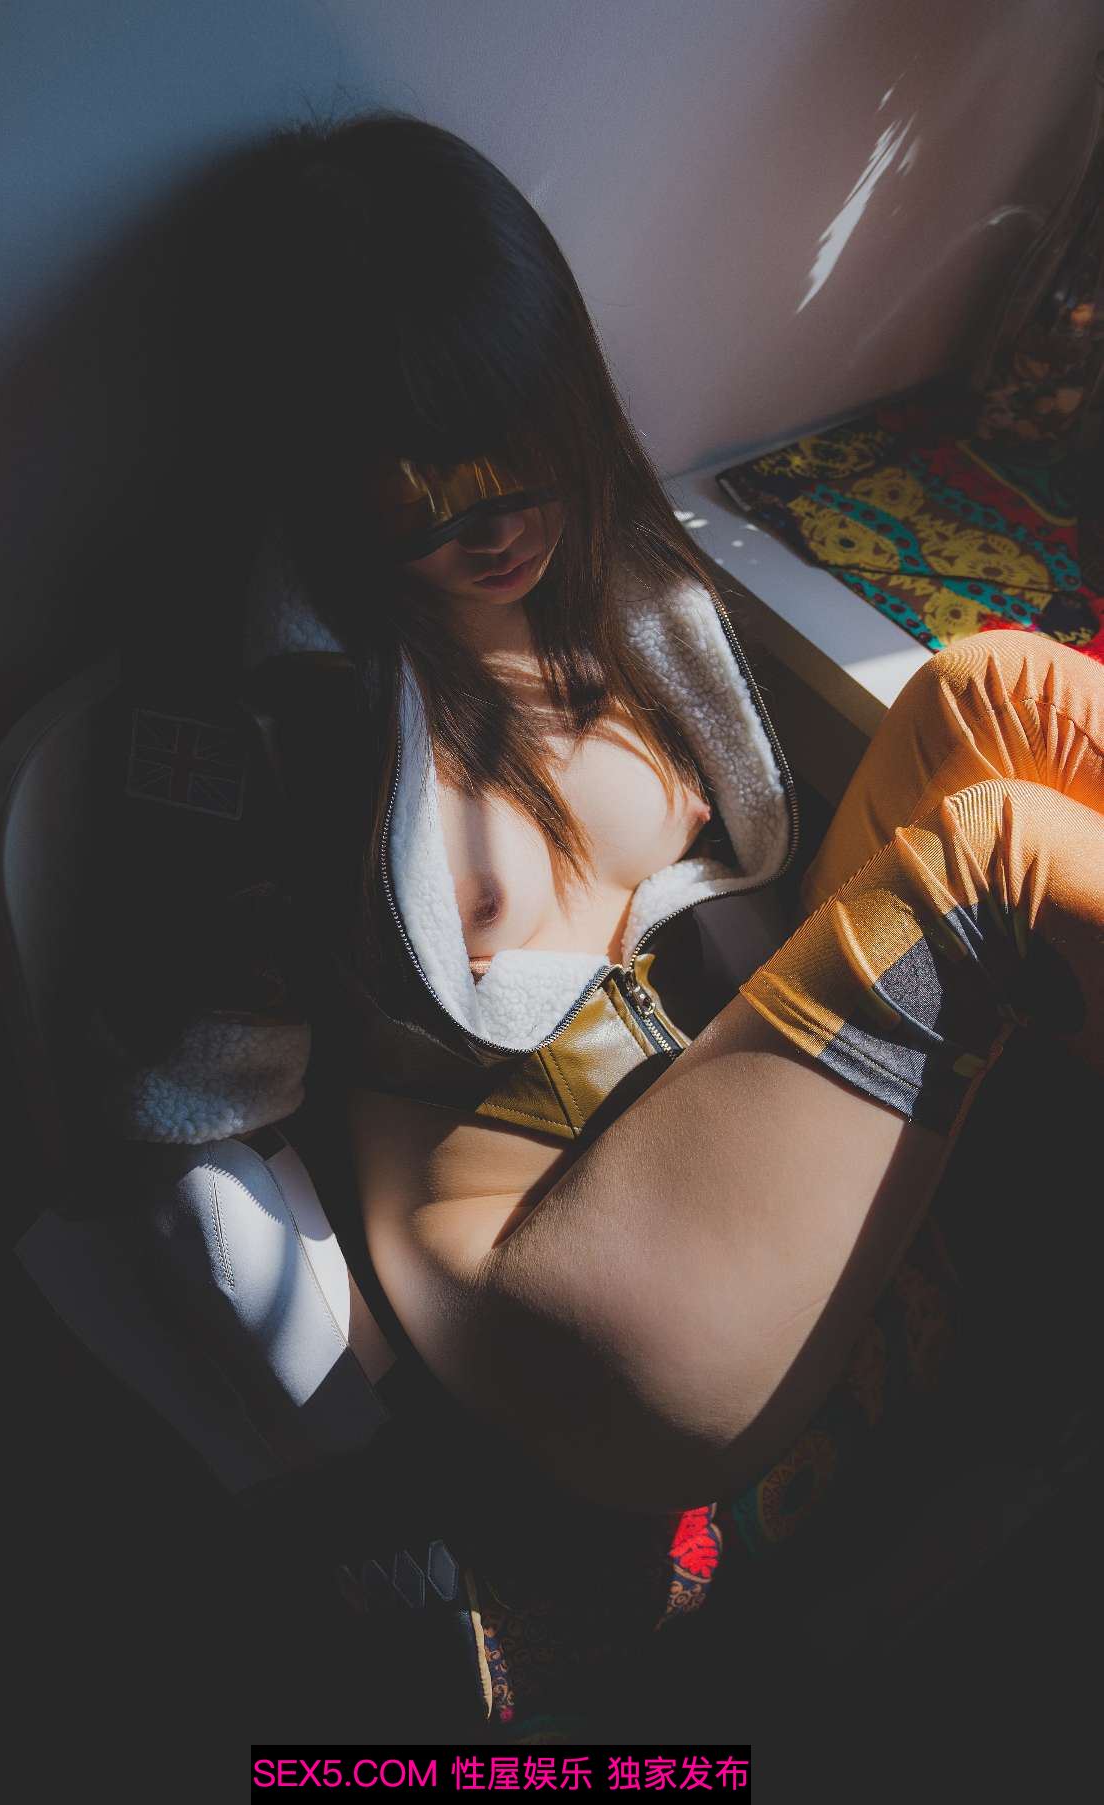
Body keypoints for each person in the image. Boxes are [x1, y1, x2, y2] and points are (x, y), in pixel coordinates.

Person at [85, 109, 1104, 1738]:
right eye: (426, 497)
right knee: (994, 858)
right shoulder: (269, 708)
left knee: (997, 694)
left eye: (519, 450)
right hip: (550, 1278)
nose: (494, 527)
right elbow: (182, 1123)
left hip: (696, 1099)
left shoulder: (612, 579)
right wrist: (344, 1445)